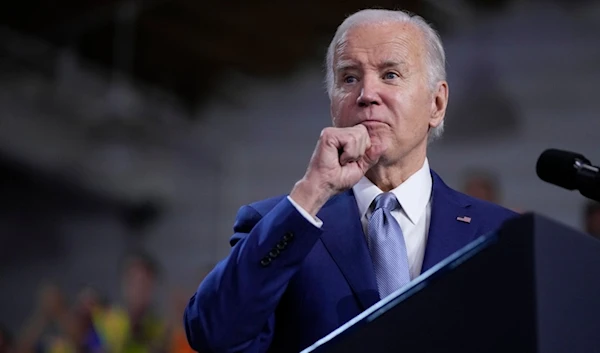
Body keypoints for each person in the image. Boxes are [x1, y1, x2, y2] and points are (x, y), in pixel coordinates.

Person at [183, 8, 519, 353]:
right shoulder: (281, 226)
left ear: (436, 103)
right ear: (333, 106)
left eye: (390, 75)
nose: (366, 94)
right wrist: (310, 194)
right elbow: (214, 334)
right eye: (349, 78)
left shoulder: (501, 234)